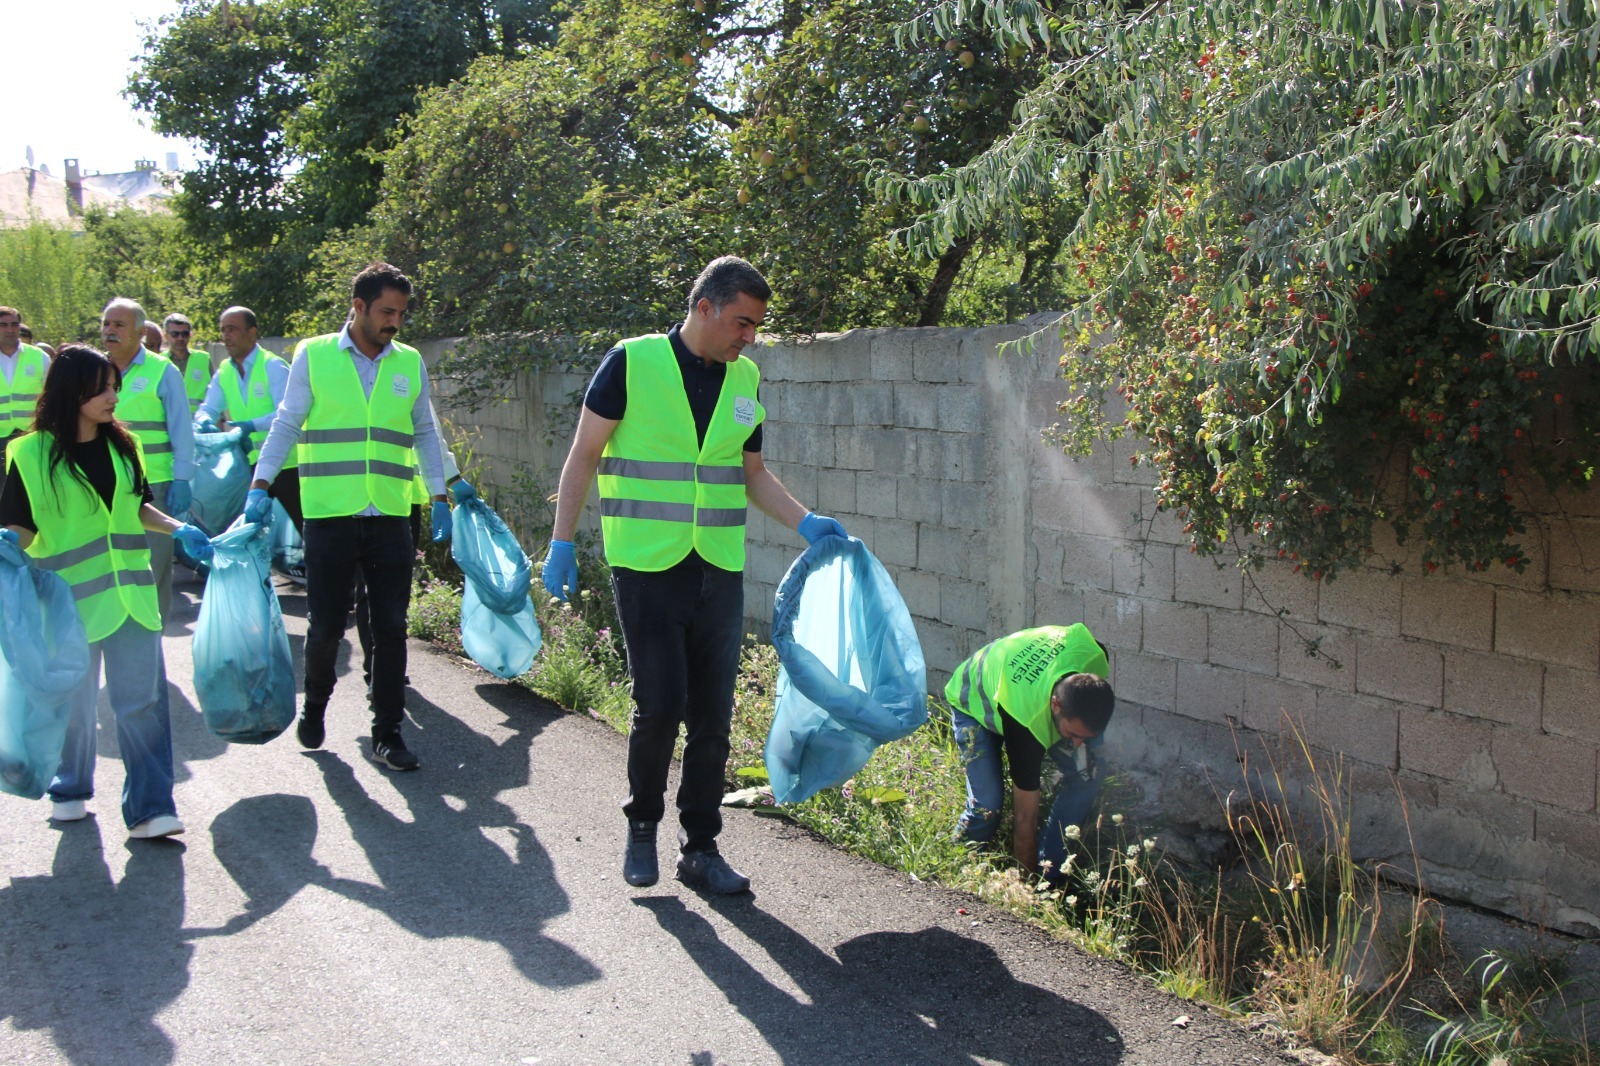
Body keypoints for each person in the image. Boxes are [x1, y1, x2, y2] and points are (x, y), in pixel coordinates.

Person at [542, 255, 848, 895]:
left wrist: (805, 521)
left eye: (756, 327)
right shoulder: (632, 362)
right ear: (703, 307)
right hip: (647, 566)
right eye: (742, 322)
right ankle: (642, 827)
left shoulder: (746, 380)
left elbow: (752, 473)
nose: (750, 337)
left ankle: (700, 847)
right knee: (660, 707)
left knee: (713, 716)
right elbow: (585, 453)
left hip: (718, 567)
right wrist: (562, 540)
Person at [245, 262, 464, 771]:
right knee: (325, 627)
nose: (395, 323)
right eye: (387, 312)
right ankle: (316, 703)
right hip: (330, 515)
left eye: (402, 314)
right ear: (358, 306)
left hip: (389, 512)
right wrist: (260, 483)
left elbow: (424, 433)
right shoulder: (315, 355)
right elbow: (287, 422)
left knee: (390, 627)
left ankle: (386, 732)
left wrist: (438, 496)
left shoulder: (408, 362)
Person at [0, 344, 214, 839]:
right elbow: (21, 527)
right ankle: (70, 789)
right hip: (66, 605)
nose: (114, 396)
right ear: (72, 391)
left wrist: (177, 528)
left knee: (141, 705)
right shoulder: (28, 454)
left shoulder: (126, 445)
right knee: (73, 708)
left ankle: (151, 808)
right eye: (103, 387)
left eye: (116, 385)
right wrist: (8, 544)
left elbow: (138, 507)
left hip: (130, 598)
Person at [944, 624, 1116, 881]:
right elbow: (1024, 820)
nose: (1078, 744)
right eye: (1074, 735)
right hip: (975, 703)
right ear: (1056, 705)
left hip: (1016, 687)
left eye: (1084, 736)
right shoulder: (1026, 724)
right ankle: (951, 868)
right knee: (987, 807)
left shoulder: (1094, 657)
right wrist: (1024, 891)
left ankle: (1051, 871)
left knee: (1088, 774)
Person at [99, 298, 196, 625]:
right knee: (108, 570)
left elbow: (182, 429)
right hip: (100, 486)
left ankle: (151, 645)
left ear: (140, 332)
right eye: (106, 324)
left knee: (152, 570)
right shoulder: (94, 370)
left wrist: (182, 479)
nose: (109, 331)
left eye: (119, 325)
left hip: (152, 486)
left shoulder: (161, 370)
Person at [197, 306, 301, 531]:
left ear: (252, 333)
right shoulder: (225, 370)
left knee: (306, 529)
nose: (226, 336)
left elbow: (288, 413)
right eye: (223, 330)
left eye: (232, 329)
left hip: (287, 466)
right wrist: (204, 420)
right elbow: (209, 407)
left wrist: (250, 426)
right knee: (248, 533)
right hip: (249, 466)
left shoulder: (272, 366)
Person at [0, 307, 51, 491]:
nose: (9, 329)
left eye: (14, 324)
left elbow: (51, 394)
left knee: (32, 488)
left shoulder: (38, 357)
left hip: (30, 433)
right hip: (0, 435)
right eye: (3, 325)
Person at [162, 313, 209, 416]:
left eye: (185, 334)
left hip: (200, 424)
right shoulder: (159, 361)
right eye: (175, 334)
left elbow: (215, 393)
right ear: (165, 336)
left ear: (190, 335)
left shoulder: (204, 359)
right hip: (169, 422)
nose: (180, 338)